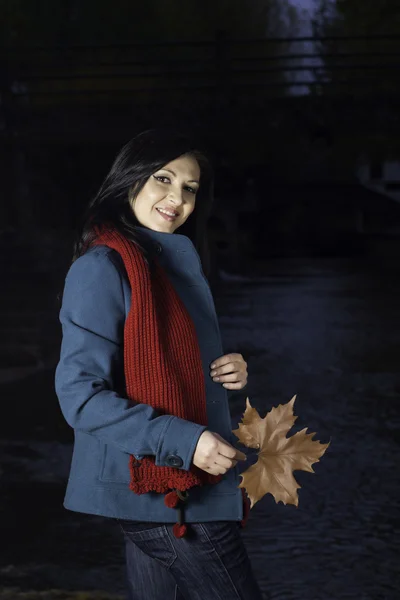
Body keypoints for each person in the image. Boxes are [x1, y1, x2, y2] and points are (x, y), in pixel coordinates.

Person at [55, 128, 264, 600]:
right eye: (163, 179)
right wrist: (186, 441)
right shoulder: (102, 267)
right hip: (165, 487)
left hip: (171, 487)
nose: (177, 198)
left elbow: (169, 367)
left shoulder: (168, 264)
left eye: (189, 188)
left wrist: (227, 371)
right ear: (130, 181)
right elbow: (80, 396)